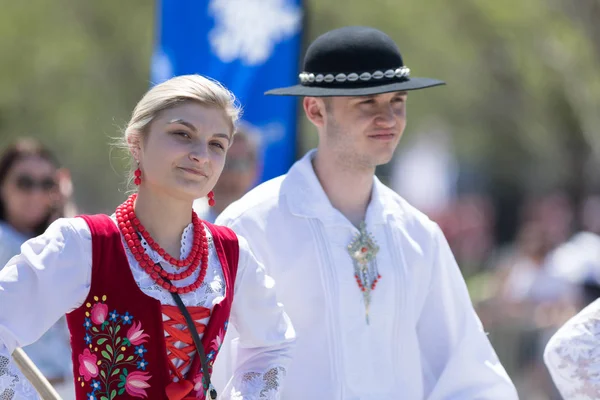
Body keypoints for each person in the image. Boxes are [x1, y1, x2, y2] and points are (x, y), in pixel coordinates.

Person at [213, 26, 518, 399]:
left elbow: (467, 370)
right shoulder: (251, 227)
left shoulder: (418, 234)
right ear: (315, 109)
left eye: (397, 102)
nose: (388, 118)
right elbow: (219, 368)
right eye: (367, 103)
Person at [0, 75, 295, 400]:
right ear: (136, 143)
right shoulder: (83, 245)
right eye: (182, 134)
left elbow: (272, 345)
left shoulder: (230, 253)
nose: (202, 155)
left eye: (217, 144)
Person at [0, 138, 75, 396]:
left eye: (47, 185)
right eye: (24, 183)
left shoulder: (57, 241)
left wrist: (62, 208)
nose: (36, 194)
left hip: (65, 386)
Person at [193, 122, 261, 223]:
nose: (230, 175)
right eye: (224, 164)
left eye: (239, 164)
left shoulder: (265, 224)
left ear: (255, 170)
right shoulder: (182, 221)